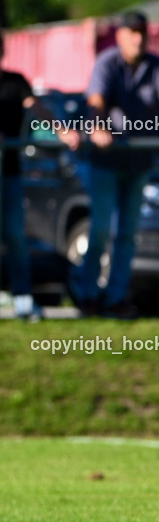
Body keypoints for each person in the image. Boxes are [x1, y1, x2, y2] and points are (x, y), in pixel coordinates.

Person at [75, 11, 159, 318]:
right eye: (132, 32)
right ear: (120, 35)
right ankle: (88, 295)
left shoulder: (156, 66)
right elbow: (96, 100)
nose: (139, 38)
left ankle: (115, 298)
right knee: (99, 230)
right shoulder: (107, 63)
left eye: (142, 32)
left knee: (128, 235)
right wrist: (98, 126)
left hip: (139, 163)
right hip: (106, 162)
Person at [0, 32, 80, 320]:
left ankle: (22, 298)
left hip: (9, 174)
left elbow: (36, 108)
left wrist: (62, 130)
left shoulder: (15, 83)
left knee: (14, 235)